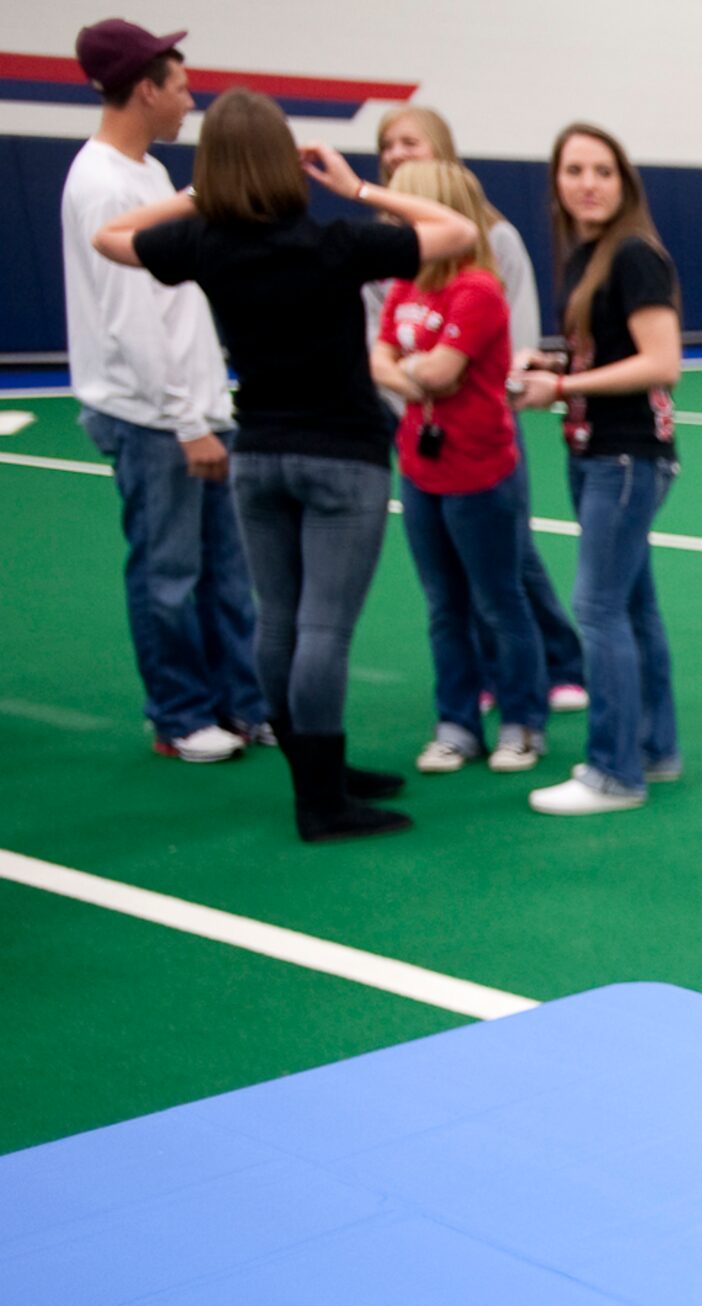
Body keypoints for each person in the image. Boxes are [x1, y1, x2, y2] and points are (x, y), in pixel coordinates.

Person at [94, 87, 475, 844]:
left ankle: (318, 774)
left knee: (280, 621)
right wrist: (358, 186)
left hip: (260, 454)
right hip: (343, 458)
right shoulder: (335, 244)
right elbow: (457, 229)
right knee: (324, 628)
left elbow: (111, 236)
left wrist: (195, 198)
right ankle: (321, 801)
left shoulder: (207, 244)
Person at [58, 18, 265, 763]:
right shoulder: (107, 185)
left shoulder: (145, 174)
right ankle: (178, 718)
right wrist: (187, 422)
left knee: (226, 570)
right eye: (180, 86)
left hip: (196, 410)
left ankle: (240, 705)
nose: (190, 99)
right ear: (144, 89)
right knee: (170, 572)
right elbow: (131, 323)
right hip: (155, 420)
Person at [372, 104, 588, 720]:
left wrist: (430, 373)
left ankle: (558, 664)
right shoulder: (384, 249)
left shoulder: (491, 241)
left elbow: (492, 349)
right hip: (414, 425)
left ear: (440, 149)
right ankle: (485, 678)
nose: (394, 154)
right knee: (449, 578)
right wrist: (412, 383)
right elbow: (380, 346)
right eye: (386, 145)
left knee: (509, 556)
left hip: (483, 422)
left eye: (408, 142)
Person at [516, 122, 681, 817]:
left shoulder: (633, 256)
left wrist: (561, 389)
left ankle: (615, 771)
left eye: (603, 171)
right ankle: (654, 748)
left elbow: (660, 361)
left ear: (625, 183)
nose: (589, 183)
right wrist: (557, 370)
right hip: (598, 450)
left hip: (625, 455)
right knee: (633, 607)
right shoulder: (587, 257)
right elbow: (608, 352)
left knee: (600, 608)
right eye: (575, 170)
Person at [370, 158, 546, 775]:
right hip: (420, 468)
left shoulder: (477, 289)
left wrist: (412, 374)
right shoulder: (404, 287)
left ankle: (523, 722)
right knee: (443, 603)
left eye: (401, 211)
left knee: (498, 600)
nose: (391, 224)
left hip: (480, 470)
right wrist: (418, 375)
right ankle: (456, 723)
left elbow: (438, 370)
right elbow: (381, 361)